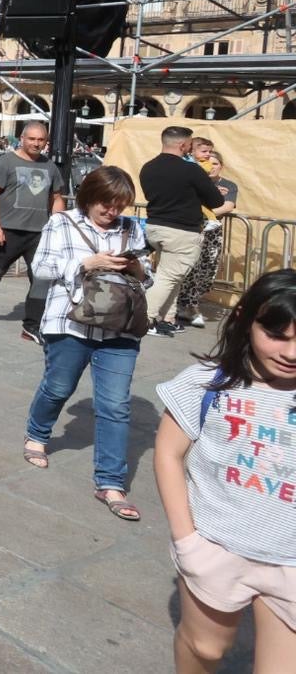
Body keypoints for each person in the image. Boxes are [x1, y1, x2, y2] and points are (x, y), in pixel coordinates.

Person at [154, 270, 296, 673]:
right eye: (276, 335)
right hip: (218, 545)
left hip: (291, 559)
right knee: (206, 648)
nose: (291, 352)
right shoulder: (207, 383)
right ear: (244, 320)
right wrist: (187, 540)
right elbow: (167, 452)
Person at [23, 166, 151, 521]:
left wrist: (136, 269)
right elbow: (41, 268)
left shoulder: (131, 229)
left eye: (119, 205)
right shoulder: (62, 222)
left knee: (115, 405)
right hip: (69, 322)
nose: (113, 211)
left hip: (120, 327)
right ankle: (37, 433)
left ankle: (110, 483)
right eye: (106, 203)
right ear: (90, 197)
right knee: (58, 387)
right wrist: (86, 262)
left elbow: (148, 277)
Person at [0, 121, 67, 341]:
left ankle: (32, 325)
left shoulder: (50, 166)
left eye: (41, 140)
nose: (36, 143)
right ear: (22, 138)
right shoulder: (6, 162)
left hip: (39, 234)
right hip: (8, 231)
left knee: (41, 278)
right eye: (32, 139)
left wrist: (57, 227)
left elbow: (57, 198)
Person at [140, 126, 234, 338]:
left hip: (155, 227)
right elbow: (216, 201)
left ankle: (165, 318)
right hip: (182, 231)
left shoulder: (148, 167)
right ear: (183, 145)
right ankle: (144, 319)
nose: (191, 149)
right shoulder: (191, 170)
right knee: (168, 277)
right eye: (191, 145)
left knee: (171, 277)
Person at [174, 150, 237, 331]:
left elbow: (227, 206)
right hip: (191, 230)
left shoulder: (228, 185)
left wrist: (200, 209)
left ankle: (187, 304)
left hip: (212, 234)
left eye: (215, 163)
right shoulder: (193, 181)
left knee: (207, 272)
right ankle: (187, 306)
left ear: (221, 166)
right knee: (190, 269)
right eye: (207, 163)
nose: (211, 167)